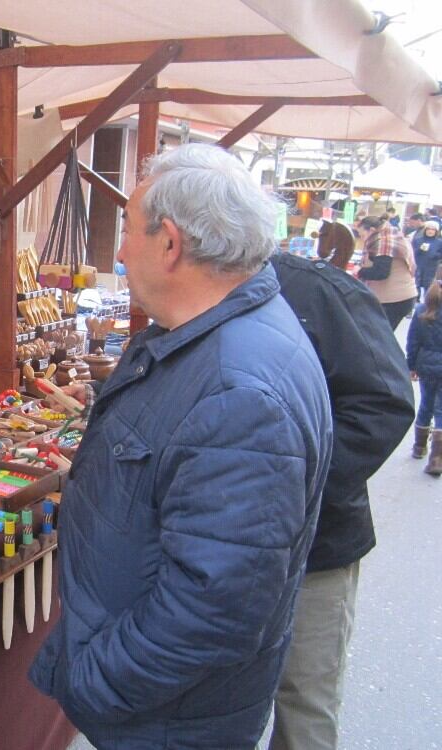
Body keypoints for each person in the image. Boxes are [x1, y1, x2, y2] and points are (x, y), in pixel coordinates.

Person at [29, 144, 332, 750]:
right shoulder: (213, 339)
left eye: (126, 232)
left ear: (169, 243)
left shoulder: (235, 389)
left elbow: (213, 611)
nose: (118, 251)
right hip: (169, 707)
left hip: (171, 723)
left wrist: (92, 682)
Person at [268, 253, 414, 750]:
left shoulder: (317, 291)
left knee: (305, 697)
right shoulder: (186, 296)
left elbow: (385, 404)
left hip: (318, 549)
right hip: (217, 551)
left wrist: (280, 492)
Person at [356, 215, 417, 329]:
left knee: (380, 337)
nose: (362, 239)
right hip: (401, 296)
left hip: (394, 299)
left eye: (362, 235)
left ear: (372, 230)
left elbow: (381, 272)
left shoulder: (384, 242)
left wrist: (360, 271)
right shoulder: (391, 234)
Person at [406, 280, 442, 476]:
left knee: (426, 404)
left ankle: (419, 447)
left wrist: (410, 365)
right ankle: (437, 458)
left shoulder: (422, 310)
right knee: (441, 409)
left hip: (426, 366)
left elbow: (413, 342)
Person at [412, 220, 442, 301]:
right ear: (425, 230)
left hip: (431, 267)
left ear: (436, 231)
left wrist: (434, 255)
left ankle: (427, 301)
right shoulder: (418, 240)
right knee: (416, 284)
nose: (430, 231)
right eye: (428, 229)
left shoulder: (439, 242)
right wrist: (420, 249)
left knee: (428, 285)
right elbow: (412, 253)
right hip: (418, 265)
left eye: (433, 230)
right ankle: (415, 301)